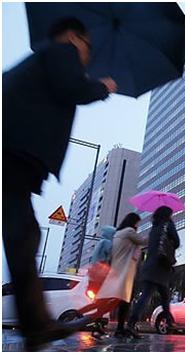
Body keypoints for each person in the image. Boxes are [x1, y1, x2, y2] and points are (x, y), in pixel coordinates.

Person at [2, 17, 117, 350]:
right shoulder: (60, 52)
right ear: (72, 36)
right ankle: (36, 326)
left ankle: (36, 326)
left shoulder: (37, 62)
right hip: (12, 152)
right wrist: (103, 87)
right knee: (23, 235)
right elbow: (73, 88)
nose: (88, 56)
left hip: (13, 154)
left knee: (23, 233)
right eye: (88, 47)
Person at [80, 213, 147, 338]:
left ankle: (95, 324)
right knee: (113, 301)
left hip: (104, 273)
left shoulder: (110, 238)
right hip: (111, 273)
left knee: (104, 301)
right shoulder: (121, 235)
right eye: (138, 222)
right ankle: (86, 320)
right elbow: (141, 242)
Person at [127, 206, 180, 338]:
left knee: (150, 295)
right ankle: (168, 321)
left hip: (149, 266)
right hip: (160, 267)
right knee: (163, 296)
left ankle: (132, 323)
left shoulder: (154, 228)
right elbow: (177, 242)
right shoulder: (168, 225)